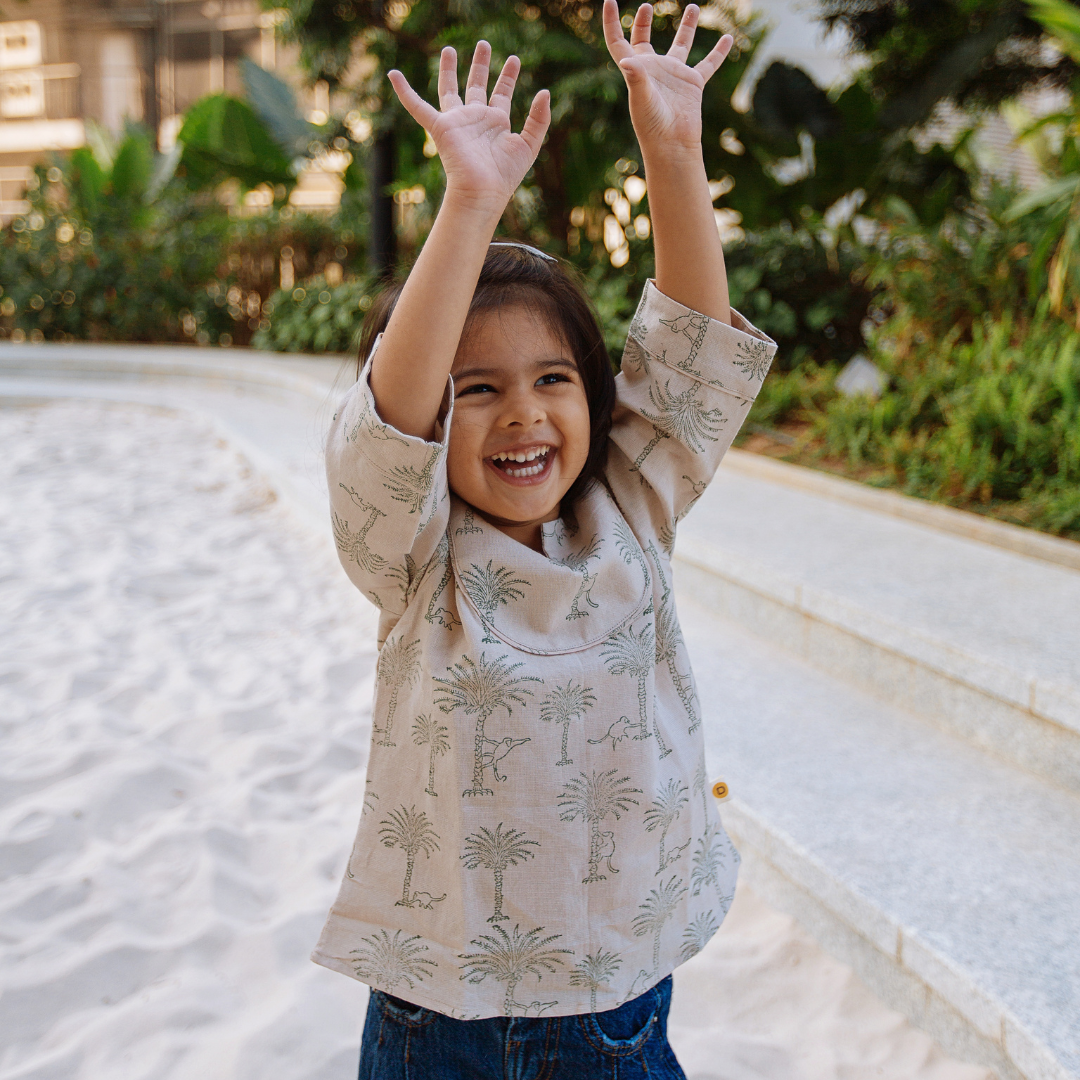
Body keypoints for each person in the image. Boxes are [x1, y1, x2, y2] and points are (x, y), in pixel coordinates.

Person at [313, 2, 778, 1075]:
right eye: (477, 391)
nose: (522, 415)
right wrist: (471, 203)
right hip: (439, 1016)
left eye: (552, 380)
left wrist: (672, 145)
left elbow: (696, 353)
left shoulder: (635, 506)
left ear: (597, 397)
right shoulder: (417, 553)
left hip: (615, 1003)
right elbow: (388, 425)